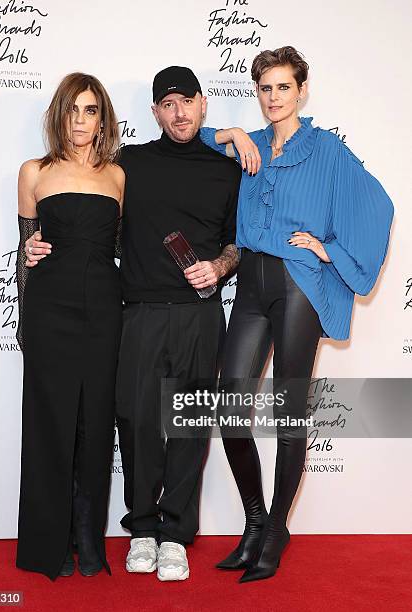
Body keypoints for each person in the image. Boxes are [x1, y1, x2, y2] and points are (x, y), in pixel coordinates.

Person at [24, 66, 242, 581]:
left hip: (200, 314)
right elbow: (84, 208)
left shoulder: (228, 170)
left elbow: (237, 243)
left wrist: (220, 265)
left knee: (188, 429)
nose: (179, 112)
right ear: (154, 112)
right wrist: (36, 244)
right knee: (138, 426)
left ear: (203, 103)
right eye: (168, 104)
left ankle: (176, 536)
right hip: (137, 312)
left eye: (187, 102)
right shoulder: (127, 165)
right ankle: (142, 529)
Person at [199, 46, 394, 582]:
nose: (273, 99)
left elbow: (378, 204)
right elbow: (190, 131)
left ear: (302, 90)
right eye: (264, 89)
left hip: (299, 285)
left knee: (288, 409)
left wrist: (330, 249)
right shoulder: (251, 145)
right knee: (230, 404)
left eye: (283, 87)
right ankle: (256, 521)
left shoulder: (326, 148)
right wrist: (232, 135)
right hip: (251, 287)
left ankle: (278, 527)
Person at [16, 72, 124, 580]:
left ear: (102, 119)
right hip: (48, 310)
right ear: (59, 114)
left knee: (95, 424)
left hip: (104, 308)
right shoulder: (34, 171)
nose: (80, 120)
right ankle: (51, 542)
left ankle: (88, 537)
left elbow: (121, 248)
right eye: (72, 109)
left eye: (91, 110)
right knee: (49, 423)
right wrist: (23, 323)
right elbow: (25, 251)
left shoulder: (118, 177)